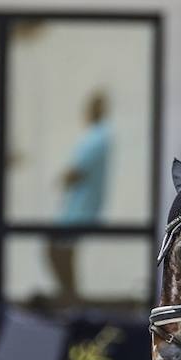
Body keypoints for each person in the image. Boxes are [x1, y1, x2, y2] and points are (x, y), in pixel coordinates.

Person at [48, 91, 112, 304]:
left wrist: (62, 179)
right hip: (81, 206)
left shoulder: (97, 137)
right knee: (64, 249)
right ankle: (70, 295)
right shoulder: (98, 136)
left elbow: (76, 171)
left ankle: (70, 295)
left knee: (56, 248)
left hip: (81, 208)